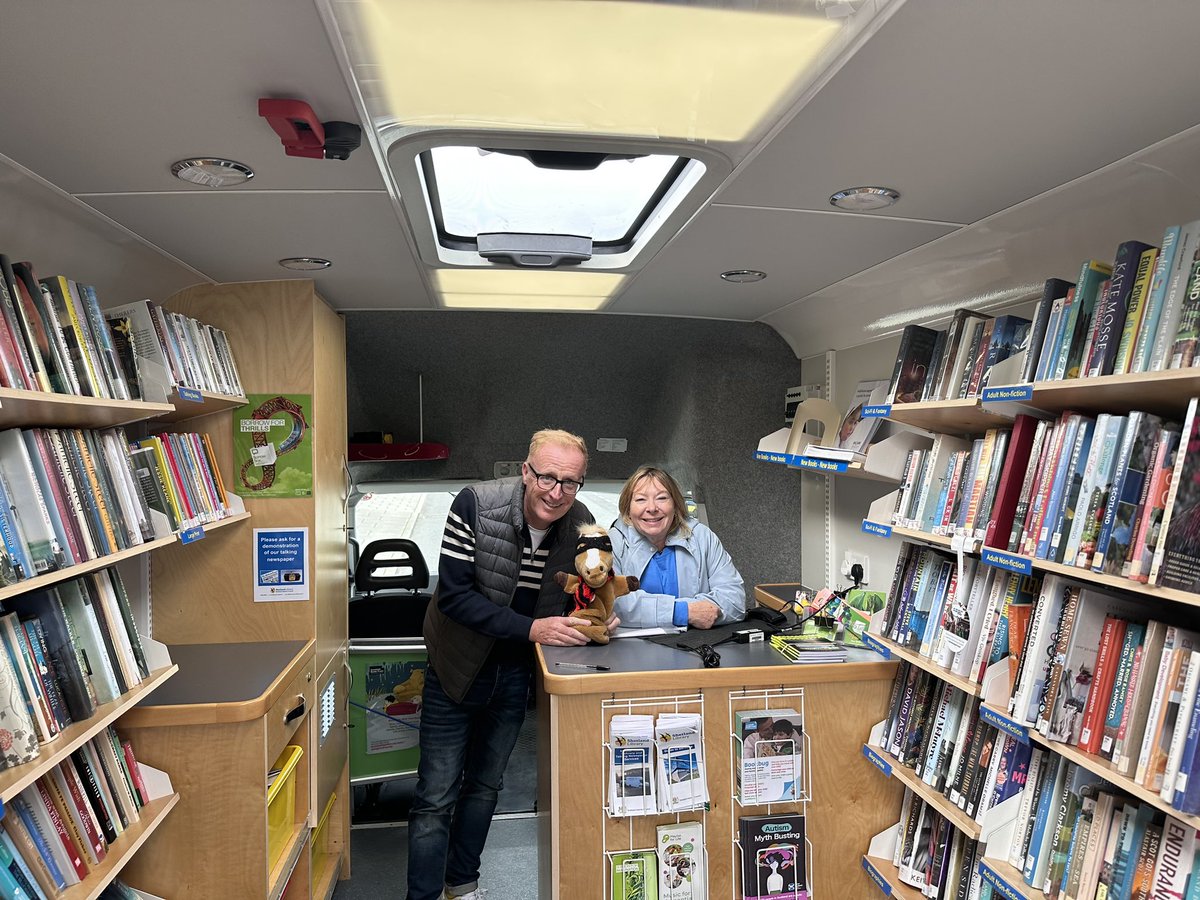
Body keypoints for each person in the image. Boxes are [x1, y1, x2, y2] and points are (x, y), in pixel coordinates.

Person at [408, 428, 598, 900]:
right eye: (548, 477)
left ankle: (462, 885)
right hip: (455, 668)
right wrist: (532, 629)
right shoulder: (473, 504)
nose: (557, 492)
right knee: (435, 798)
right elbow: (453, 597)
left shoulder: (582, 522)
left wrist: (596, 619)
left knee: (485, 787)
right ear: (525, 471)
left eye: (570, 482)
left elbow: (587, 591)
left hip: (514, 675)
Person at [610, 465, 745, 629]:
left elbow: (735, 600)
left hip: (697, 646)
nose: (652, 508)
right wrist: (683, 612)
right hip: (631, 650)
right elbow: (611, 603)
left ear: (675, 504)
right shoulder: (612, 543)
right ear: (628, 509)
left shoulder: (702, 537)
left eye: (661, 498)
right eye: (640, 499)